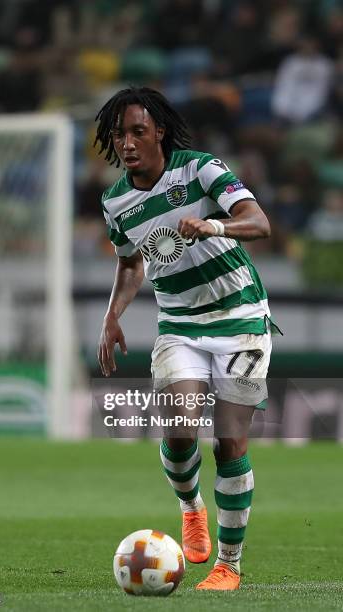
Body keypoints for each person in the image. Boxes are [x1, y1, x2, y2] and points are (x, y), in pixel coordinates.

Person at [95, 86, 277, 591]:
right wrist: (114, 315)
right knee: (179, 433)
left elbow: (259, 223)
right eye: (118, 134)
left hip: (241, 319)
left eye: (136, 131)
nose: (127, 142)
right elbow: (131, 263)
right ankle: (191, 507)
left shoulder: (200, 169)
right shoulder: (115, 201)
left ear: (159, 131)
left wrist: (214, 225)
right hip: (179, 325)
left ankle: (228, 565)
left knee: (229, 441)